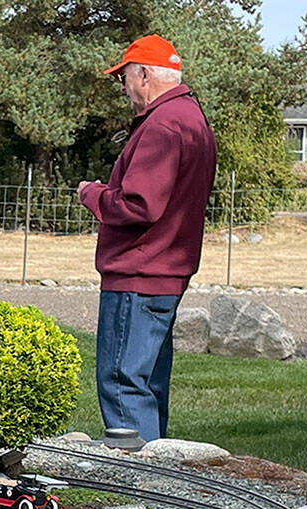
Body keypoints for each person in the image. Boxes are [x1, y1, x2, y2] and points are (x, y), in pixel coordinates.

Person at [78, 35, 217, 442]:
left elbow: (140, 205)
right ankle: (159, 478)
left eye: (123, 77)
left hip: (139, 273)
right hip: (167, 270)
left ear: (143, 74)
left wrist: (93, 194)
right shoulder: (191, 118)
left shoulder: (162, 125)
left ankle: (137, 485)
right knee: (149, 385)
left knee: (123, 382)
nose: (122, 87)